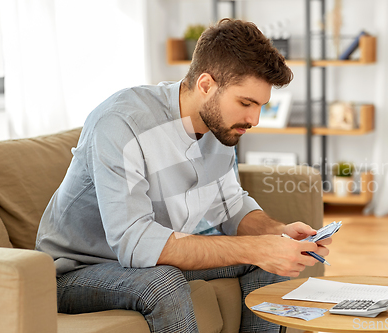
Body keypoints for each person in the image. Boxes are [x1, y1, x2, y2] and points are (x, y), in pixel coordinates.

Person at [35, 18, 332, 333]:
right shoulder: (121, 124)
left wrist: (278, 233)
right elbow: (135, 244)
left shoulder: (219, 130)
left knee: (271, 261)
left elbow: (230, 206)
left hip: (149, 261)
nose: (254, 118)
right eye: (246, 103)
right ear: (206, 85)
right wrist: (257, 247)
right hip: (74, 272)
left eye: (261, 106)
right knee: (164, 284)